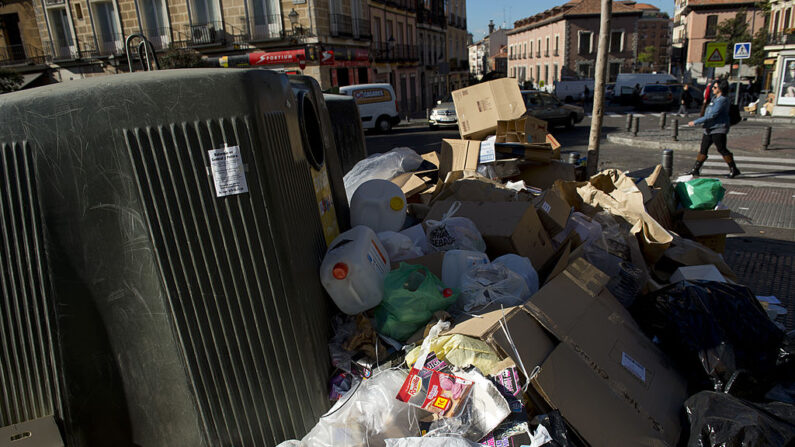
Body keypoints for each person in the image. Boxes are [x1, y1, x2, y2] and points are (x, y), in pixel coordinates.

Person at [687, 80, 741, 178]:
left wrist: (696, 122)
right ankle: (695, 170)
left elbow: (712, 115)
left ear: (721, 89)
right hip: (709, 128)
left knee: (721, 149)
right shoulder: (714, 99)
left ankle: (734, 169)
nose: (713, 89)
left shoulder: (723, 100)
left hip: (718, 128)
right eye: (713, 87)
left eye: (715, 87)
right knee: (703, 149)